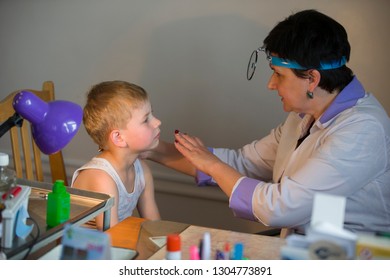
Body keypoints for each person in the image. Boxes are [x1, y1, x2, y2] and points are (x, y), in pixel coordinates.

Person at [144, 10, 390, 237]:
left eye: (278, 74)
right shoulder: (302, 116)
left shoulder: (362, 131)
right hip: (305, 246)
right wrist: (149, 148)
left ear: (312, 79)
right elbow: (243, 164)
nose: (270, 84)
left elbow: (279, 208)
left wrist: (213, 166)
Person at [72, 81, 161, 230]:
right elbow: (112, 238)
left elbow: (155, 227)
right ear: (119, 138)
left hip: (119, 248)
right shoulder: (102, 178)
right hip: (91, 251)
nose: (158, 122)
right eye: (146, 119)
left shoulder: (142, 171)